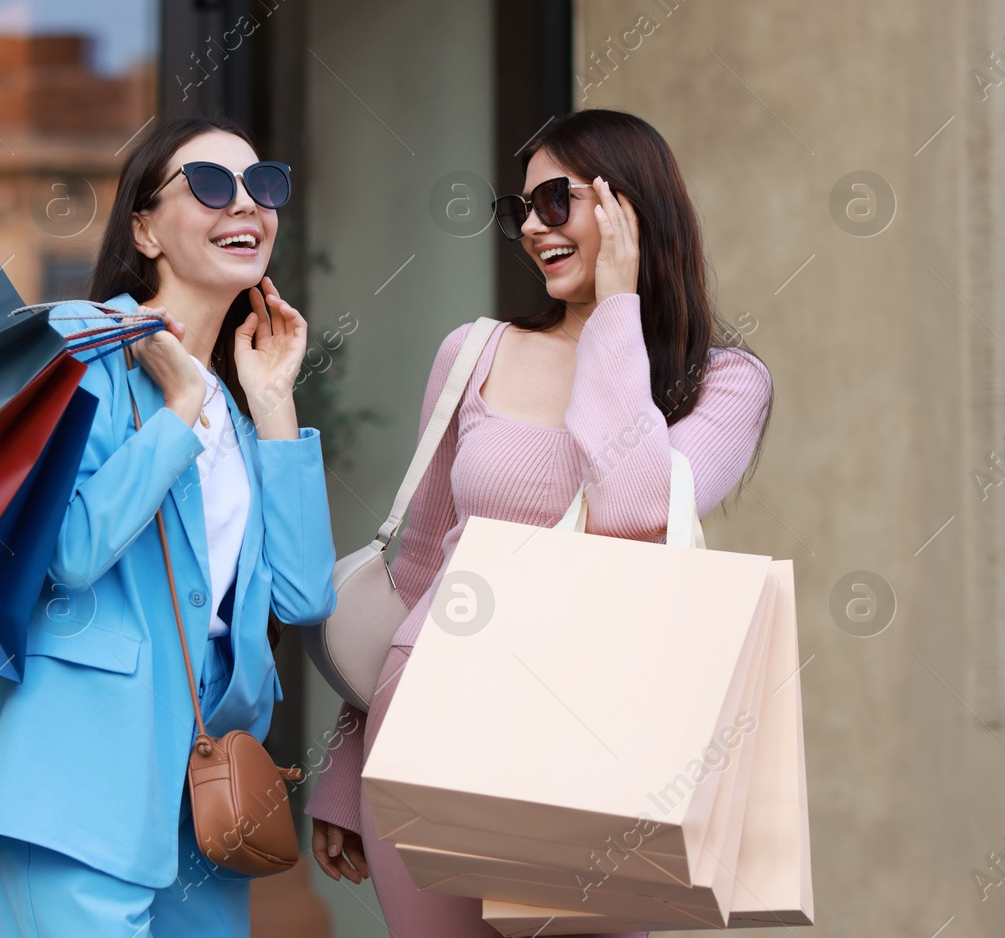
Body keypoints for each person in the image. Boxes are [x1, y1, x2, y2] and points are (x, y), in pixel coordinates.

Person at [304, 108, 774, 937]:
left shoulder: (723, 383)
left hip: (595, 727)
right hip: (428, 711)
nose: (530, 225)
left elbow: (634, 507)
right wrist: (345, 766)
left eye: (556, 201)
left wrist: (617, 316)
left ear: (628, 207)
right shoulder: (473, 354)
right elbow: (415, 567)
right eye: (519, 208)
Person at [0, 117, 337, 937]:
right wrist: (175, 414)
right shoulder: (81, 348)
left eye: (262, 185)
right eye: (209, 185)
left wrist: (273, 402)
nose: (245, 204)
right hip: (81, 781)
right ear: (144, 228)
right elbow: (69, 551)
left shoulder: (241, 417)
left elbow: (307, 595)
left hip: (206, 803)